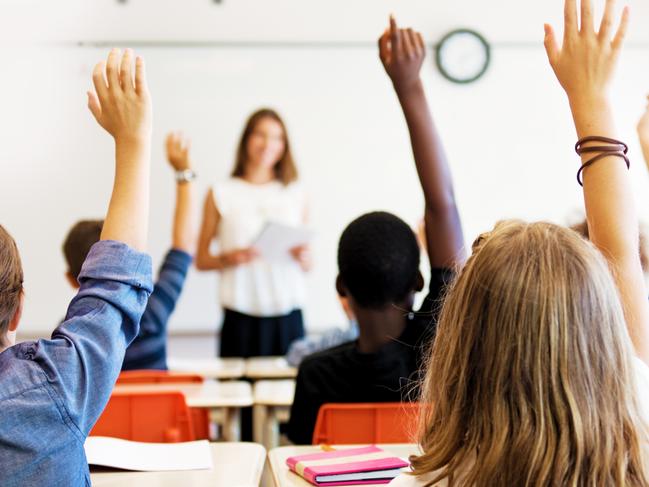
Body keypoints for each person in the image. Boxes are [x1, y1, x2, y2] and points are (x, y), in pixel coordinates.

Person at [390, 1, 649, 484]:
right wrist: (590, 96)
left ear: (462, 344)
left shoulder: (426, 480)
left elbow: (619, 259)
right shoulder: (635, 432)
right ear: (604, 332)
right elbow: (620, 256)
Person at [285, 16, 466, 445]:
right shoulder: (438, 356)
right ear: (419, 282)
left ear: (340, 288)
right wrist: (409, 87)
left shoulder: (316, 375)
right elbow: (443, 206)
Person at [0, 48, 155, 485]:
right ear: (17, 310)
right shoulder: (49, 390)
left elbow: (113, 288)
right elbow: (113, 292)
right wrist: (134, 140)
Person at [62, 132, 197, 370]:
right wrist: (183, 173)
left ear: (72, 279)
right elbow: (184, 247)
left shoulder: (69, 337)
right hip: (156, 410)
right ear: (124, 263)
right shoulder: (152, 313)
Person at [195, 108, 310, 357]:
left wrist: (304, 257)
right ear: (247, 139)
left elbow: (308, 263)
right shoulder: (220, 192)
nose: (268, 144)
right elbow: (201, 260)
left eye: (277, 137)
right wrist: (229, 258)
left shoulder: (294, 193)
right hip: (241, 317)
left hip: (288, 315)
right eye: (261, 135)